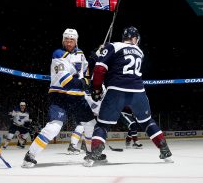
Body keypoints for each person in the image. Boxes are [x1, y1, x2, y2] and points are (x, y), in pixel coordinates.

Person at [84, 26, 173, 166]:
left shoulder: (113, 46)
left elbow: (100, 69)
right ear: (135, 38)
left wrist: (96, 88)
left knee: (103, 124)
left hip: (116, 90)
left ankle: (95, 152)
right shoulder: (140, 52)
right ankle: (164, 148)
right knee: (147, 121)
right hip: (138, 92)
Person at [22, 28, 96, 168]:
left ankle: (91, 153)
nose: (69, 42)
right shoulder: (58, 54)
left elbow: (85, 72)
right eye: (66, 39)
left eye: (72, 40)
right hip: (60, 96)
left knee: (90, 124)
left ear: (76, 41)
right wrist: (85, 83)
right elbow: (66, 81)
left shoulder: (81, 54)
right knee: (54, 127)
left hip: (77, 97)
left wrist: (94, 60)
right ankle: (30, 156)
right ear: (63, 40)